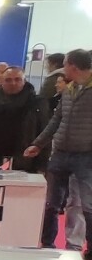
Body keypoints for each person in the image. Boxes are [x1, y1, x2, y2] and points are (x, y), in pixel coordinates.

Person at [25, 49, 92, 249]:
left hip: (86, 156)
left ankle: (85, 250)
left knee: (86, 205)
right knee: (51, 203)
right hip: (61, 153)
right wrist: (38, 143)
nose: (63, 69)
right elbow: (56, 119)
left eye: (65, 65)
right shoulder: (69, 89)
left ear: (72, 66)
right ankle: (47, 244)